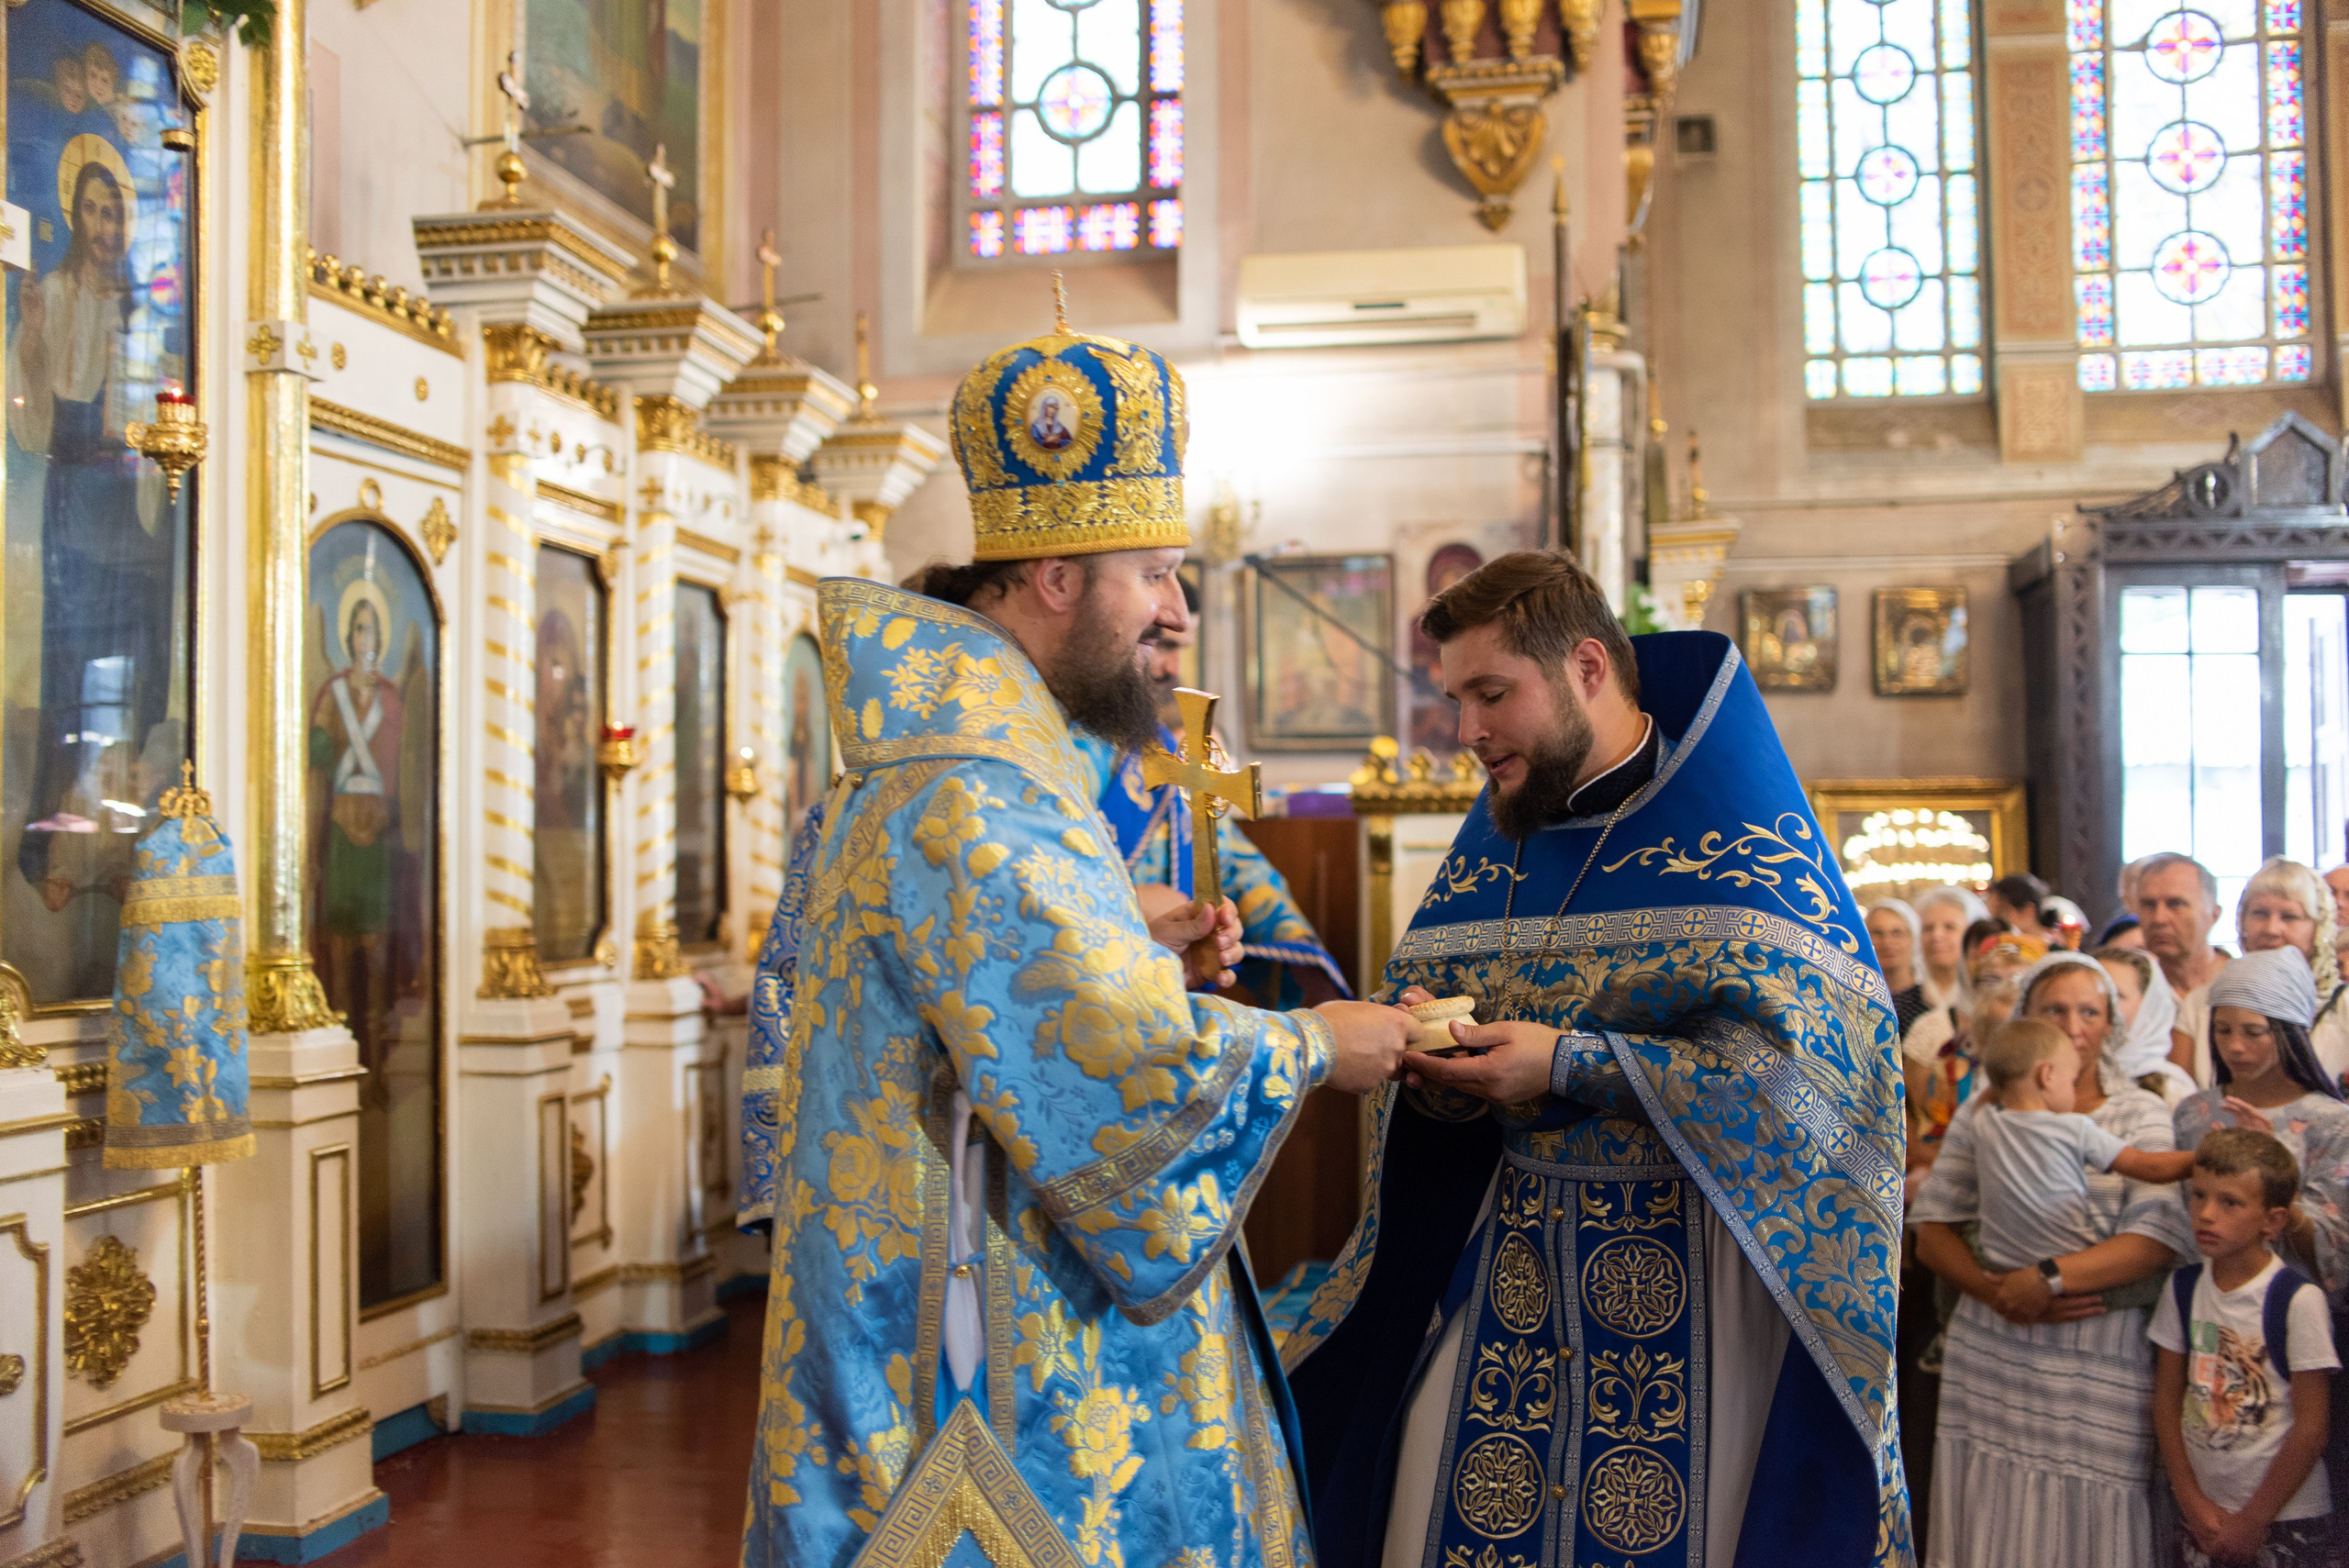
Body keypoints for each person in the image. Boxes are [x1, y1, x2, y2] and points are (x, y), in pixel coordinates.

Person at [737, 312, 1417, 1567]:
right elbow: (1117, 1074)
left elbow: (1012, 1017)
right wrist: (1318, 1043)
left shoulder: (979, 762)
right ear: (1058, 580)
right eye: (1153, 572)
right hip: (977, 1354)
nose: (1174, 604)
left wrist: (1139, 945)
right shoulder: (976, 785)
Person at [1284, 550, 1911, 1566]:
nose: (1467, 732)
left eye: (1492, 693)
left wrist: (1575, 1065)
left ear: (1584, 666)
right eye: (1455, 698)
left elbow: (1815, 1095)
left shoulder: (1742, 844)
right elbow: (1462, 1106)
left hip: (1700, 1295)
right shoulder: (1508, 833)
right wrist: (1435, 1061)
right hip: (1514, 1289)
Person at [1909, 951, 2182, 1568]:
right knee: (1993, 1515)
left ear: (2111, 1023)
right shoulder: (1986, 1113)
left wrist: (2046, 1280)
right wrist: (1994, 1291)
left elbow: (2156, 1237)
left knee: (2098, 1524)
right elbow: (1933, 1231)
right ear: (2026, 1020)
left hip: (2100, 1350)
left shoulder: (2138, 1111)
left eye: (2090, 1010)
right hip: (1995, 1344)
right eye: (2054, 1009)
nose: (2073, 1024)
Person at [1074, 573, 1351, 1008]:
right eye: (1159, 643)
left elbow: (1230, 856)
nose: (1173, 669)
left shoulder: (1160, 748)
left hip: (1168, 1000)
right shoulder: (1055, 743)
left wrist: (1303, 955)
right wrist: (1134, 906)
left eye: (1181, 649)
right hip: (1090, 996)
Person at [2153, 1128, 2338, 1568]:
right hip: (2203, 1514)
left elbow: (2312, 1426)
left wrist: (2254, 1520)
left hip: (2287, 1518)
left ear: (2272, 1221)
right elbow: (2165, 1398)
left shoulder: (2297, 1300)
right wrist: (2191, 1500)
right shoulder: (2182, 1288)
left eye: (2230, 1202)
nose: (2206, 1214)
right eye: (2199, 1196)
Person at [2174, 859, 2348, 1095]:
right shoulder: (2201, 1003)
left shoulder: (2343, 1006)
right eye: (2260, 914)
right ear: (2242, 921)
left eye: (2289, 917)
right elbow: (2182, 1099)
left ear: (2318, 927)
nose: (2271, 929)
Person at [2097, 942, 2195, 1105]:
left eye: (2117, 995)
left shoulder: (2174, 1089)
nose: (2098, 1004)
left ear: (2149, 1008)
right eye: (2094, 992)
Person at [2142, 851, 2234, 1002]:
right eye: (2149, 905)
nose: (2159, 919)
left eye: (2175, 904)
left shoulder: (2241, 983)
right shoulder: (2131, 992)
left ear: (2213, 915)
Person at [1916, 885, 1987, 1009]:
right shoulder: (1901, 1004)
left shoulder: (1984, 996)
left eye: (1949, 927)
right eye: (1928, 928)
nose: (1936, 936)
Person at [1870, 897, 1931, 1034]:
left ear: (1913, 938)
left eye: (1897, 933)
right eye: (1877, 933)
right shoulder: (1858, 1000)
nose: (1887, 942)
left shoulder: (1928, 1000)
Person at [1987, 873, 2054, 946]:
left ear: (2028, 911)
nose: (1994, 918)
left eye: (2002, 912)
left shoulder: (2052, 951)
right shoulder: (1998, 945)